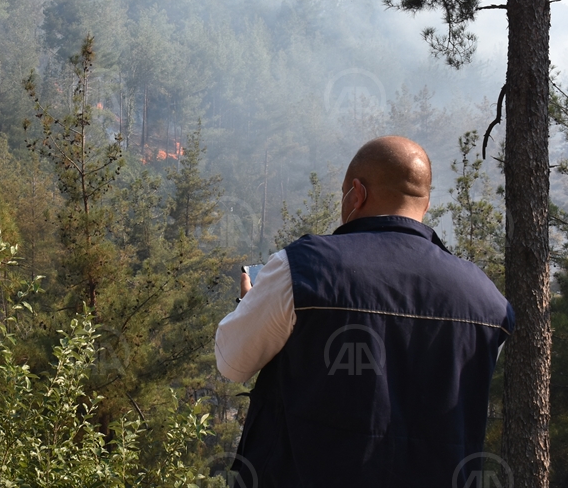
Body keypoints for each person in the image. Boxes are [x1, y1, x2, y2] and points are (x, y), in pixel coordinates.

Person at [215, 136, 514, 487]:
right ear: (426, 203)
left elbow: (232, 363)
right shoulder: (488, 302)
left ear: (356, 193)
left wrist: (249, 304)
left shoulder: (303, 268)